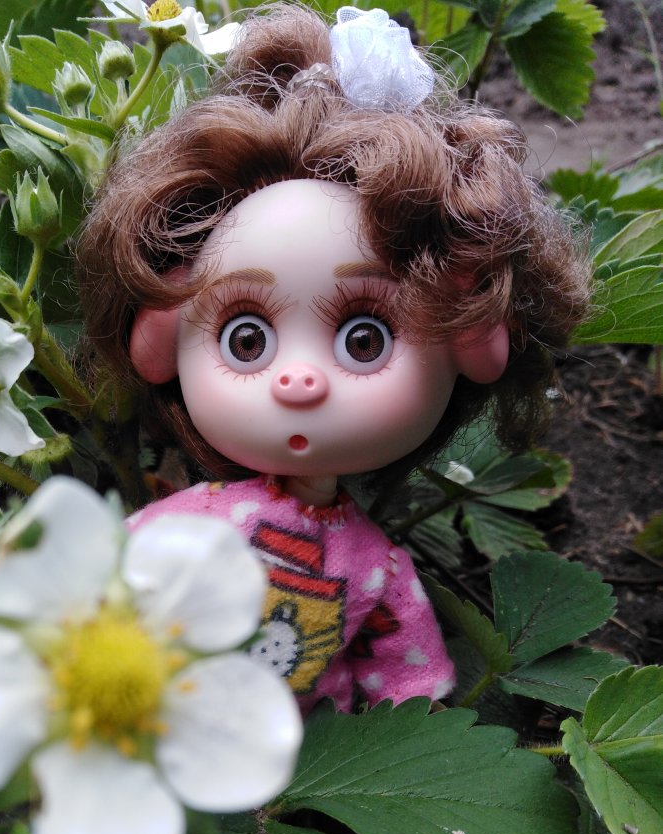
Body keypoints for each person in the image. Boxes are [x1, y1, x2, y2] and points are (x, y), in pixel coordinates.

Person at [77, 4, 590, 713]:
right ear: (161, 339)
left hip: (316, 746)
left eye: (364, 340)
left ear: (472, 340)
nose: (299, 380)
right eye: (247, 339)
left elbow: (404, 670)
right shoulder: (190, 524)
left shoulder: (373, 566)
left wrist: (408, 733)